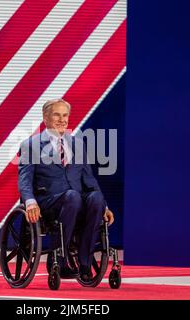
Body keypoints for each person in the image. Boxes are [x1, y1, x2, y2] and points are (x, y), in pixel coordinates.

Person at [18, 98, 114, 281]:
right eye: (57, 115)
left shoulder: (77, 143)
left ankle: (85, 263)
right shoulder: (30, 145)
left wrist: (105, 206)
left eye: (65, 115)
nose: (62, 119)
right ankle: (58, 260)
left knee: (95, 198)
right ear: (45, 118)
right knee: (73, 196)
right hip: (49, 203)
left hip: (76, 200)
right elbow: (24, 181)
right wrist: (30, 203)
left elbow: (89, 179)